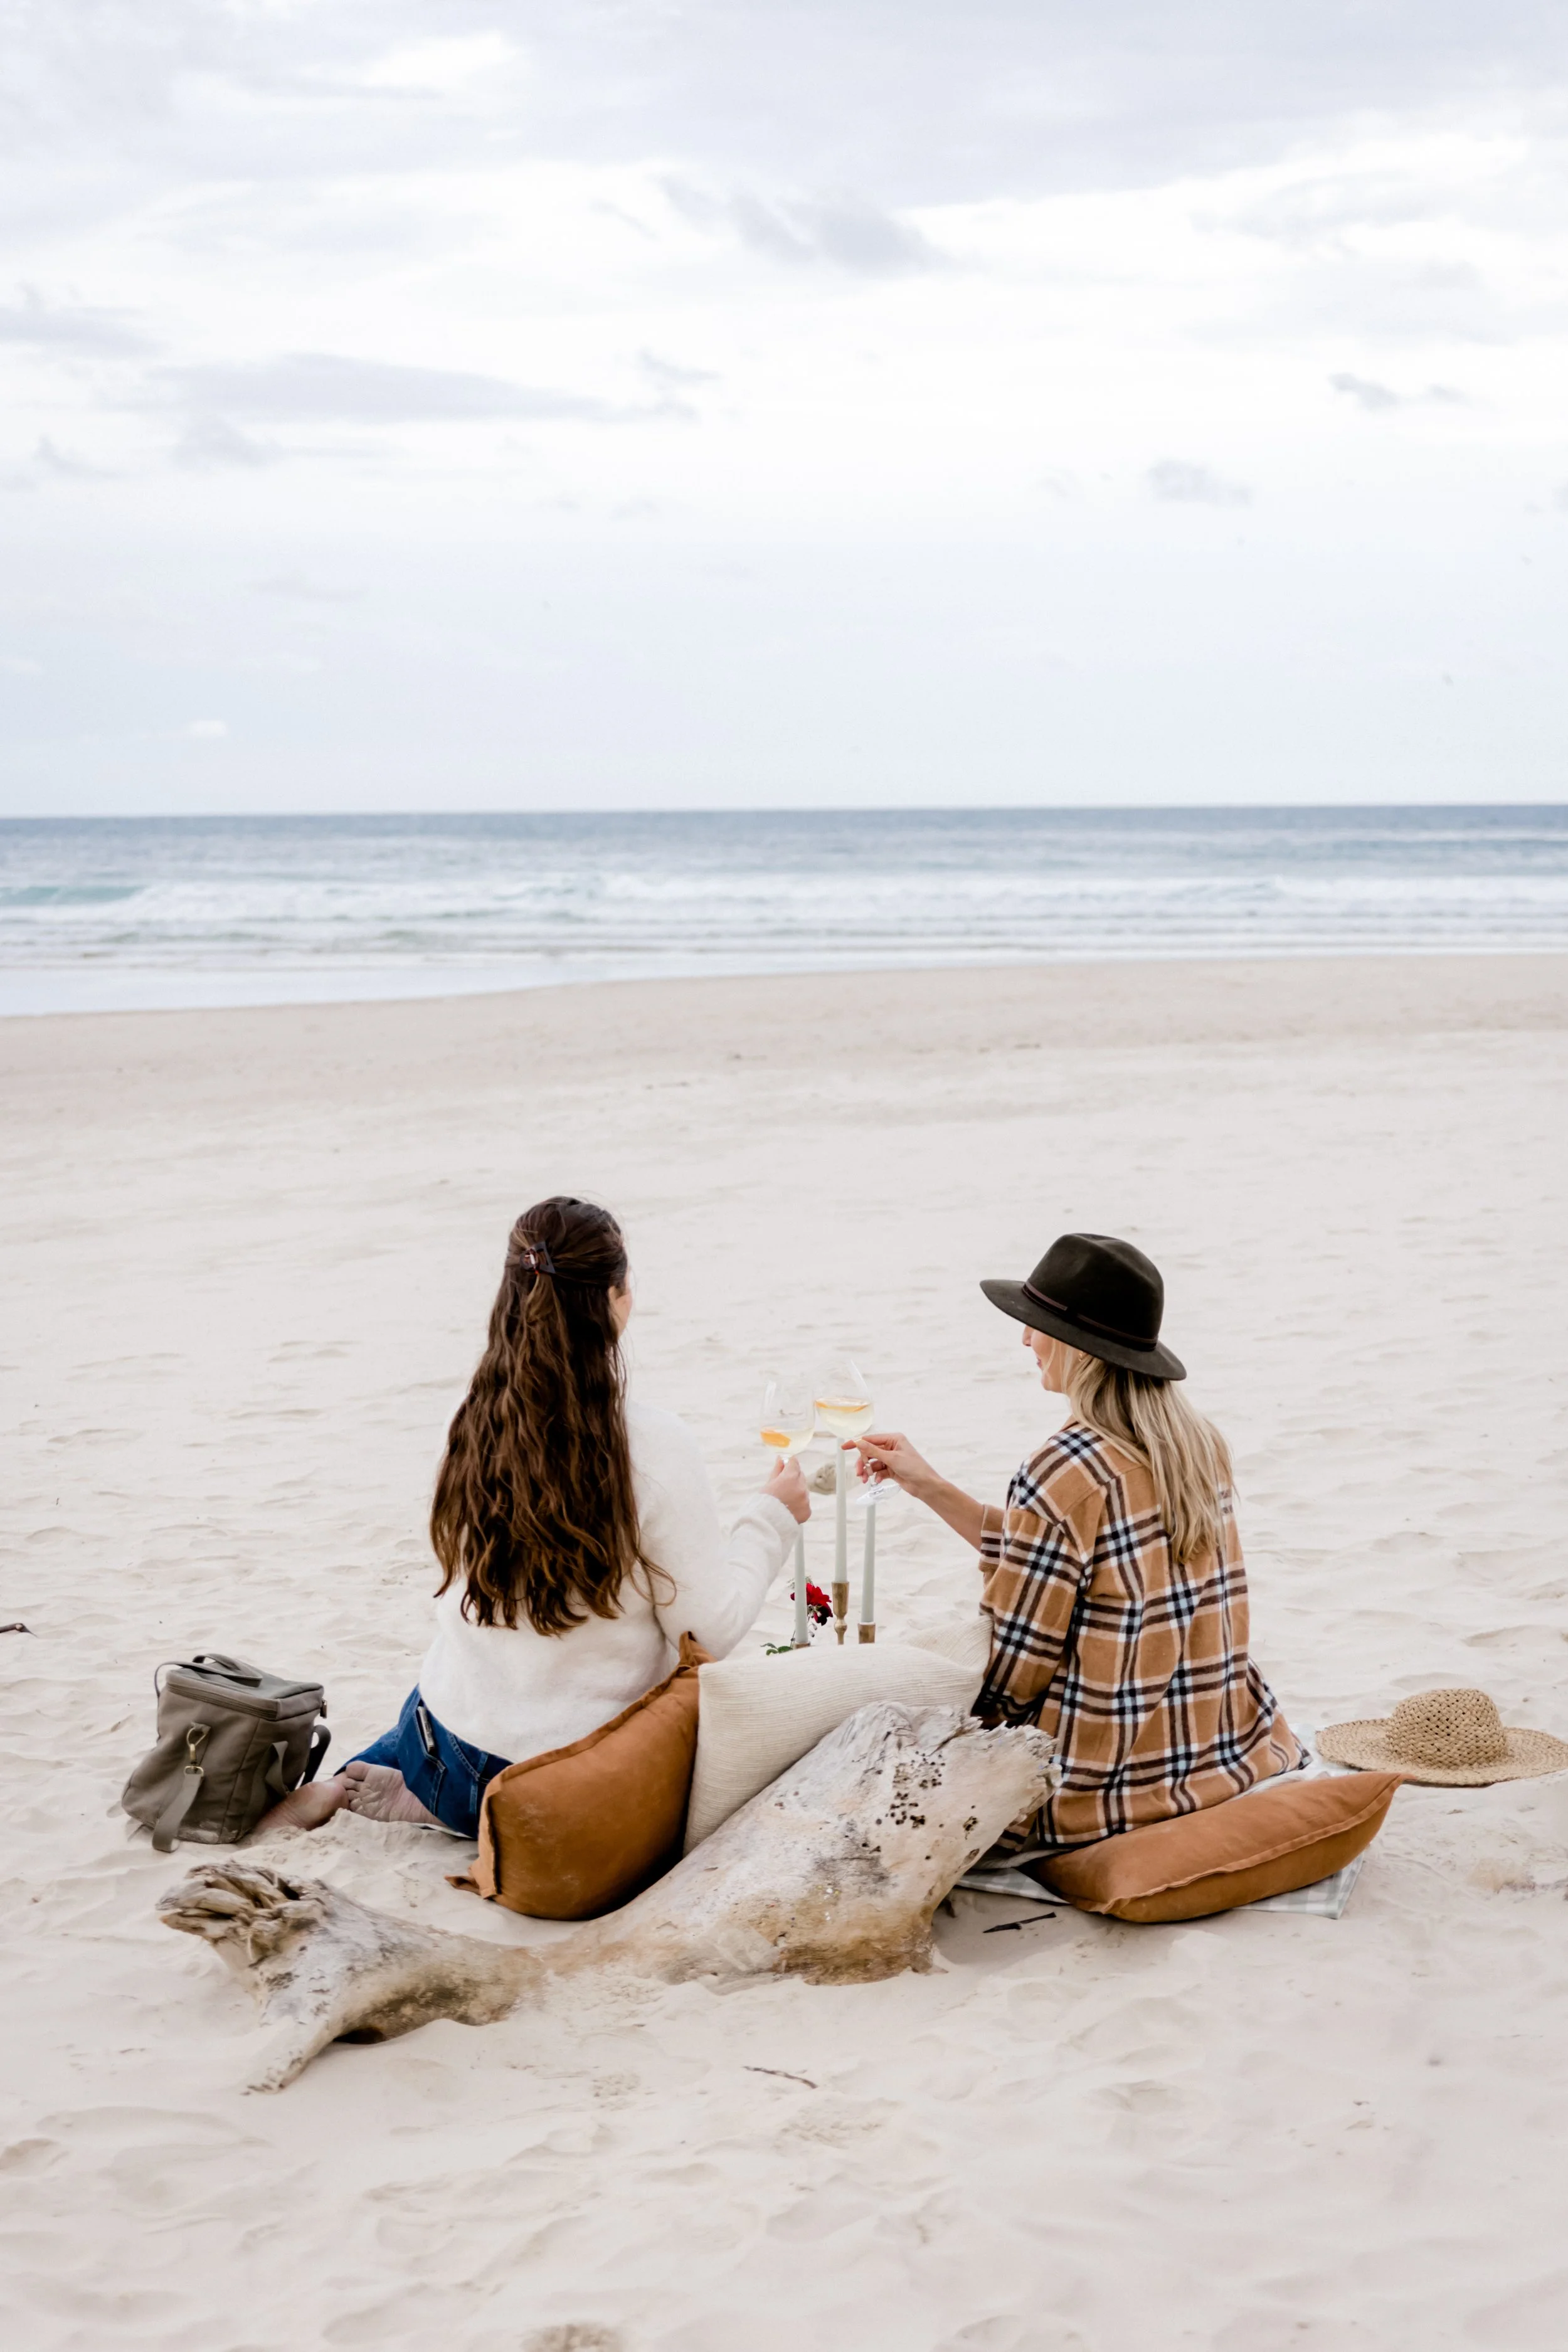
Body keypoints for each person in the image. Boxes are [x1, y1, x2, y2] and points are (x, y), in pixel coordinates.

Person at [260, 1197, 807, 1838]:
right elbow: (706, 1633)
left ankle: (375, 1783)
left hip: (440, 1745)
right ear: (614, 1298)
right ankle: (466, 1809)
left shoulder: (471, 1418)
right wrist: (772, 1519)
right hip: (565, 1784)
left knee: (478, 1670)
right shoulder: (652, 1446)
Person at [851, 1231, 1300, 1853]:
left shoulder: (1064, 1469)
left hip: (1098, 1786)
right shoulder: (1195, 1446)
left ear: (1075, 1346)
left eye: (1034, 1326)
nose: (1025, 1340)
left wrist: (949, 1720)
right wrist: (929, 1487)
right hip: (1221, 1747)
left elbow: (1017, 1672)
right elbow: (1067, 1556)